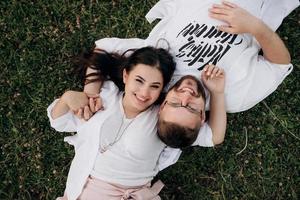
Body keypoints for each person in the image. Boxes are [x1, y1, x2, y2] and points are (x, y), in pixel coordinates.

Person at [77, 0, 298, 169]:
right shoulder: (236, 97)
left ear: (161, 106)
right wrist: (255, 27)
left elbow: (103, 49)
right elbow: (280, 63)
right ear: (203, 118)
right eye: (192, 107)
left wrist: (89, 96)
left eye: (175, 104)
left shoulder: (156, 73)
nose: (187, 95)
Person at [47, 46, 226, 199]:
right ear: (125, 76)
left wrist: (217, 93)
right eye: (138, 81)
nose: (144, 93)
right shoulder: (104, 97)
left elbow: (214, 136)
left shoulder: (167, 118)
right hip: (84, 190)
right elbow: (59, 123)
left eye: (155, 86)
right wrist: (68, 97)